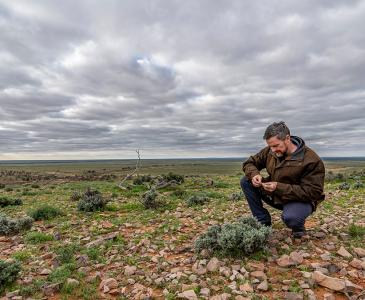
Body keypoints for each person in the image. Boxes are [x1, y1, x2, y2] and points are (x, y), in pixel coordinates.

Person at [240, 121, 325, 238]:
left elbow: (314, 192)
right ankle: (263, 221)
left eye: (276, 145)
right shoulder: (270, 151)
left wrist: (278, 187)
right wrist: (254, 174)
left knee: (292, 218)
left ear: (287, 138)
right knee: (246, 181)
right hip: (275, 193)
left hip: (299, 199)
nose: (273, 150)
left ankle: (298, 227)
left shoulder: (311, 160)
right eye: (270, 146)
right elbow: (250, 162)